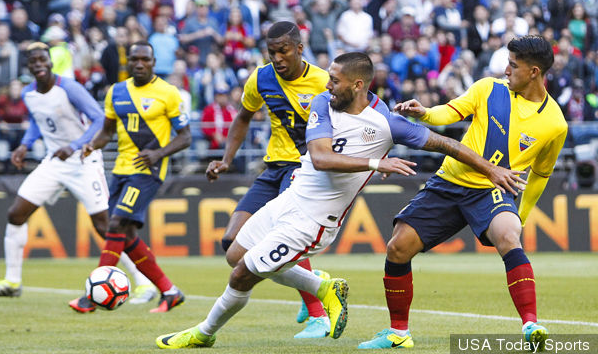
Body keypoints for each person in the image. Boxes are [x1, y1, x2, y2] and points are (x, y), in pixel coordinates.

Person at [155, 52, 525, 350]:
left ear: (358, 84)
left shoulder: (388, 123)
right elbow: (320, 157)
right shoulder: (322, 101)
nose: (327, 83)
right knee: (234, 253)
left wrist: (491, 172)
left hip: (314, 220)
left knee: (242, 275)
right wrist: (375, 161)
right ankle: (323, 288)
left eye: (335, 79)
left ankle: (203, 334)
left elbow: (447, 144)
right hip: (290, 200)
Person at [358, 35, 567, 350]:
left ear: (534, 72)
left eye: (513, 65)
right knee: (397, 248)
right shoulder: (488, 88)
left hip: (490, 190)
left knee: (510, 236)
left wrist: (521, 214)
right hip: (449, 183)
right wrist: (425, 113)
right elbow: (451, 112)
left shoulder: (556, 123)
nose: (505, 70)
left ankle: (530, 324)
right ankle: (398, 332)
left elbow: (540, 174)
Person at [0, 42, 154, 303]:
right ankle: (12, 281)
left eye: (42, 60)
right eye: (33, 61)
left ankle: (144, 283)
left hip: (83, 160)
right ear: (28, 65)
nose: (38, 64)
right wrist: (25, 145)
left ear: (50, 62)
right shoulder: (29, 93)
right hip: (54, 162)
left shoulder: (68, 87)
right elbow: (38, 121)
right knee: (16, 213)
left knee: (106, 227)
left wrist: (74, 146)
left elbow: (98, 119)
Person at [205, 21, 332, 339]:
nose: (277, 58)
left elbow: (357, 114)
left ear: (300, 49)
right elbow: (243, 117)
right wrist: (226, 159)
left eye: (283, 50)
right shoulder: (260, 78)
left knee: (282, 239)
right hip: (272, 168)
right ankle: (312, 283)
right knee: (232, 246)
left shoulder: (323, 81)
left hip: (303, 169)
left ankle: (319, 316)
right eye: (272, 51)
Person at [69, 41, 192, 313]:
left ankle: (91, 295)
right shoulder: (116, 91)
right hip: (121, 170)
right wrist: (91, 145)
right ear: (128, 63)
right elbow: (106, 131)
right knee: (126, 233)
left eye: (144, 59)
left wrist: (159, 153)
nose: (139, 64)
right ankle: (170, 292)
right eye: (134, 59)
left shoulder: (168, 93)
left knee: (114, 224)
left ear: (153, 62)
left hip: (148, 171)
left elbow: (186, 137)